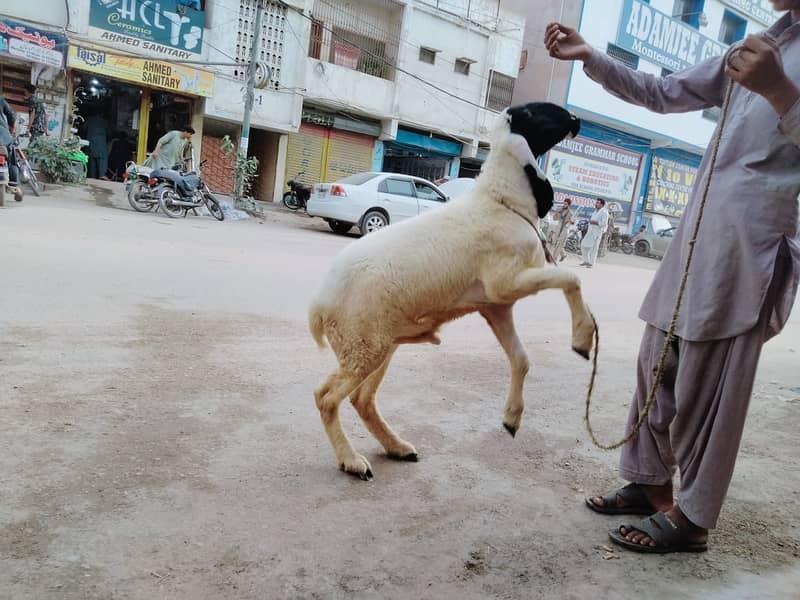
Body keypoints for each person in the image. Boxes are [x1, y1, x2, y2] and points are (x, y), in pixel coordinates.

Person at [545, 0, 799, 554]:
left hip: (748, 247)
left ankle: (693, 519)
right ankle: (648, 481)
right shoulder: (757, 44)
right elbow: (665, 94)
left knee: (711, 386)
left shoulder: (774, 63)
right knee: (657, 358)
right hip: (694, 238)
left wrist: (781, 90)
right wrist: (591, 56)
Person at [579, 198, 608, 267]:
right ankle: (586, 261)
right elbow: (590, 222)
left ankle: (591, 263)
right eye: (596, 202)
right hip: (590, 231)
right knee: (583, 245)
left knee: (594, 249)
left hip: (597, 233)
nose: (596, 204)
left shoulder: (604, 212)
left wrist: (595, 222)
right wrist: (585, 227)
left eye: (598, 203)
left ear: (602, 204)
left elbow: (604, 223)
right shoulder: (595, 211)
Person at [84, 107, 110, 180]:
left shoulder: (90, 120)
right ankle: (102, 174)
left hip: (91, 143)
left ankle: (92, 176)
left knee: (91, 161)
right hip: (101, 145)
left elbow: (84, 128)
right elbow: (109, 132)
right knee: (102, 160)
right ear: (102, 114)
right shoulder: (104, 122)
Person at [552, 197, 574, 262]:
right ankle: (563, 254)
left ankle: (554, 257)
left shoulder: (571, 213)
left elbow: (573, 222)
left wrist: (570, 221)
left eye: (566, 204)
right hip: (558, 228)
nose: (564, 205)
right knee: (555, 242)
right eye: (564, 204)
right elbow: (554, 219)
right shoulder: (560, 210)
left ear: (569, 205)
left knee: (559, 243)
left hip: (565, 229)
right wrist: (557, 213)